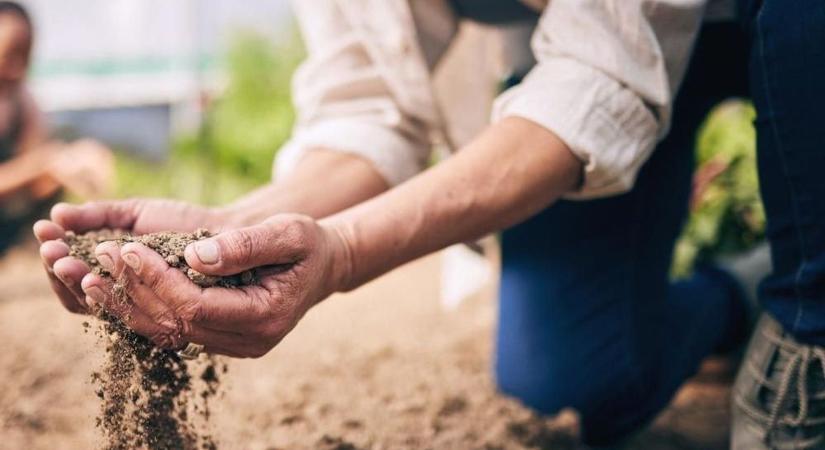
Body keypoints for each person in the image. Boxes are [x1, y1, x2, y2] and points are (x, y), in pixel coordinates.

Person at [36, 0, 752, 446]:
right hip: (563, 66)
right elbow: (368, 105)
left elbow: (605, 79)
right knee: (575, 388)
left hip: (754, 25)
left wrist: (342, 253)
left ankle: (800, 302)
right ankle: (736, 298)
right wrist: (231, 226)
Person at [0, 1, 112, 255]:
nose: (17, 67)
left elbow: (37, 168)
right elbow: (37, 162)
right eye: (8, 54)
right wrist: (42, 163)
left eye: (25, 55)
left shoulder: (21, 100)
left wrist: (69, 162)